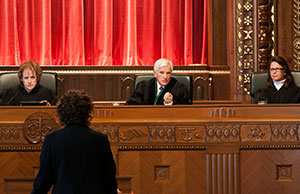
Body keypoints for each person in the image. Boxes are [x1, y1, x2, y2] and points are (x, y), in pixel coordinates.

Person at [31, 90, 118, 194]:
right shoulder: (100, 139)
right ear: (88, 112)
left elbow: (43, 181)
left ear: (62, 113)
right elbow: (109, 179)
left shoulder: (52, 139)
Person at [126, 58, 190, 105]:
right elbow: (132, 104)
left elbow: (185, 109)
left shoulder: (179, 88)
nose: (165, 77)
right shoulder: (143, 86)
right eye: (161, 73)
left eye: (168, 73)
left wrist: (170, 103)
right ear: (155, 73)